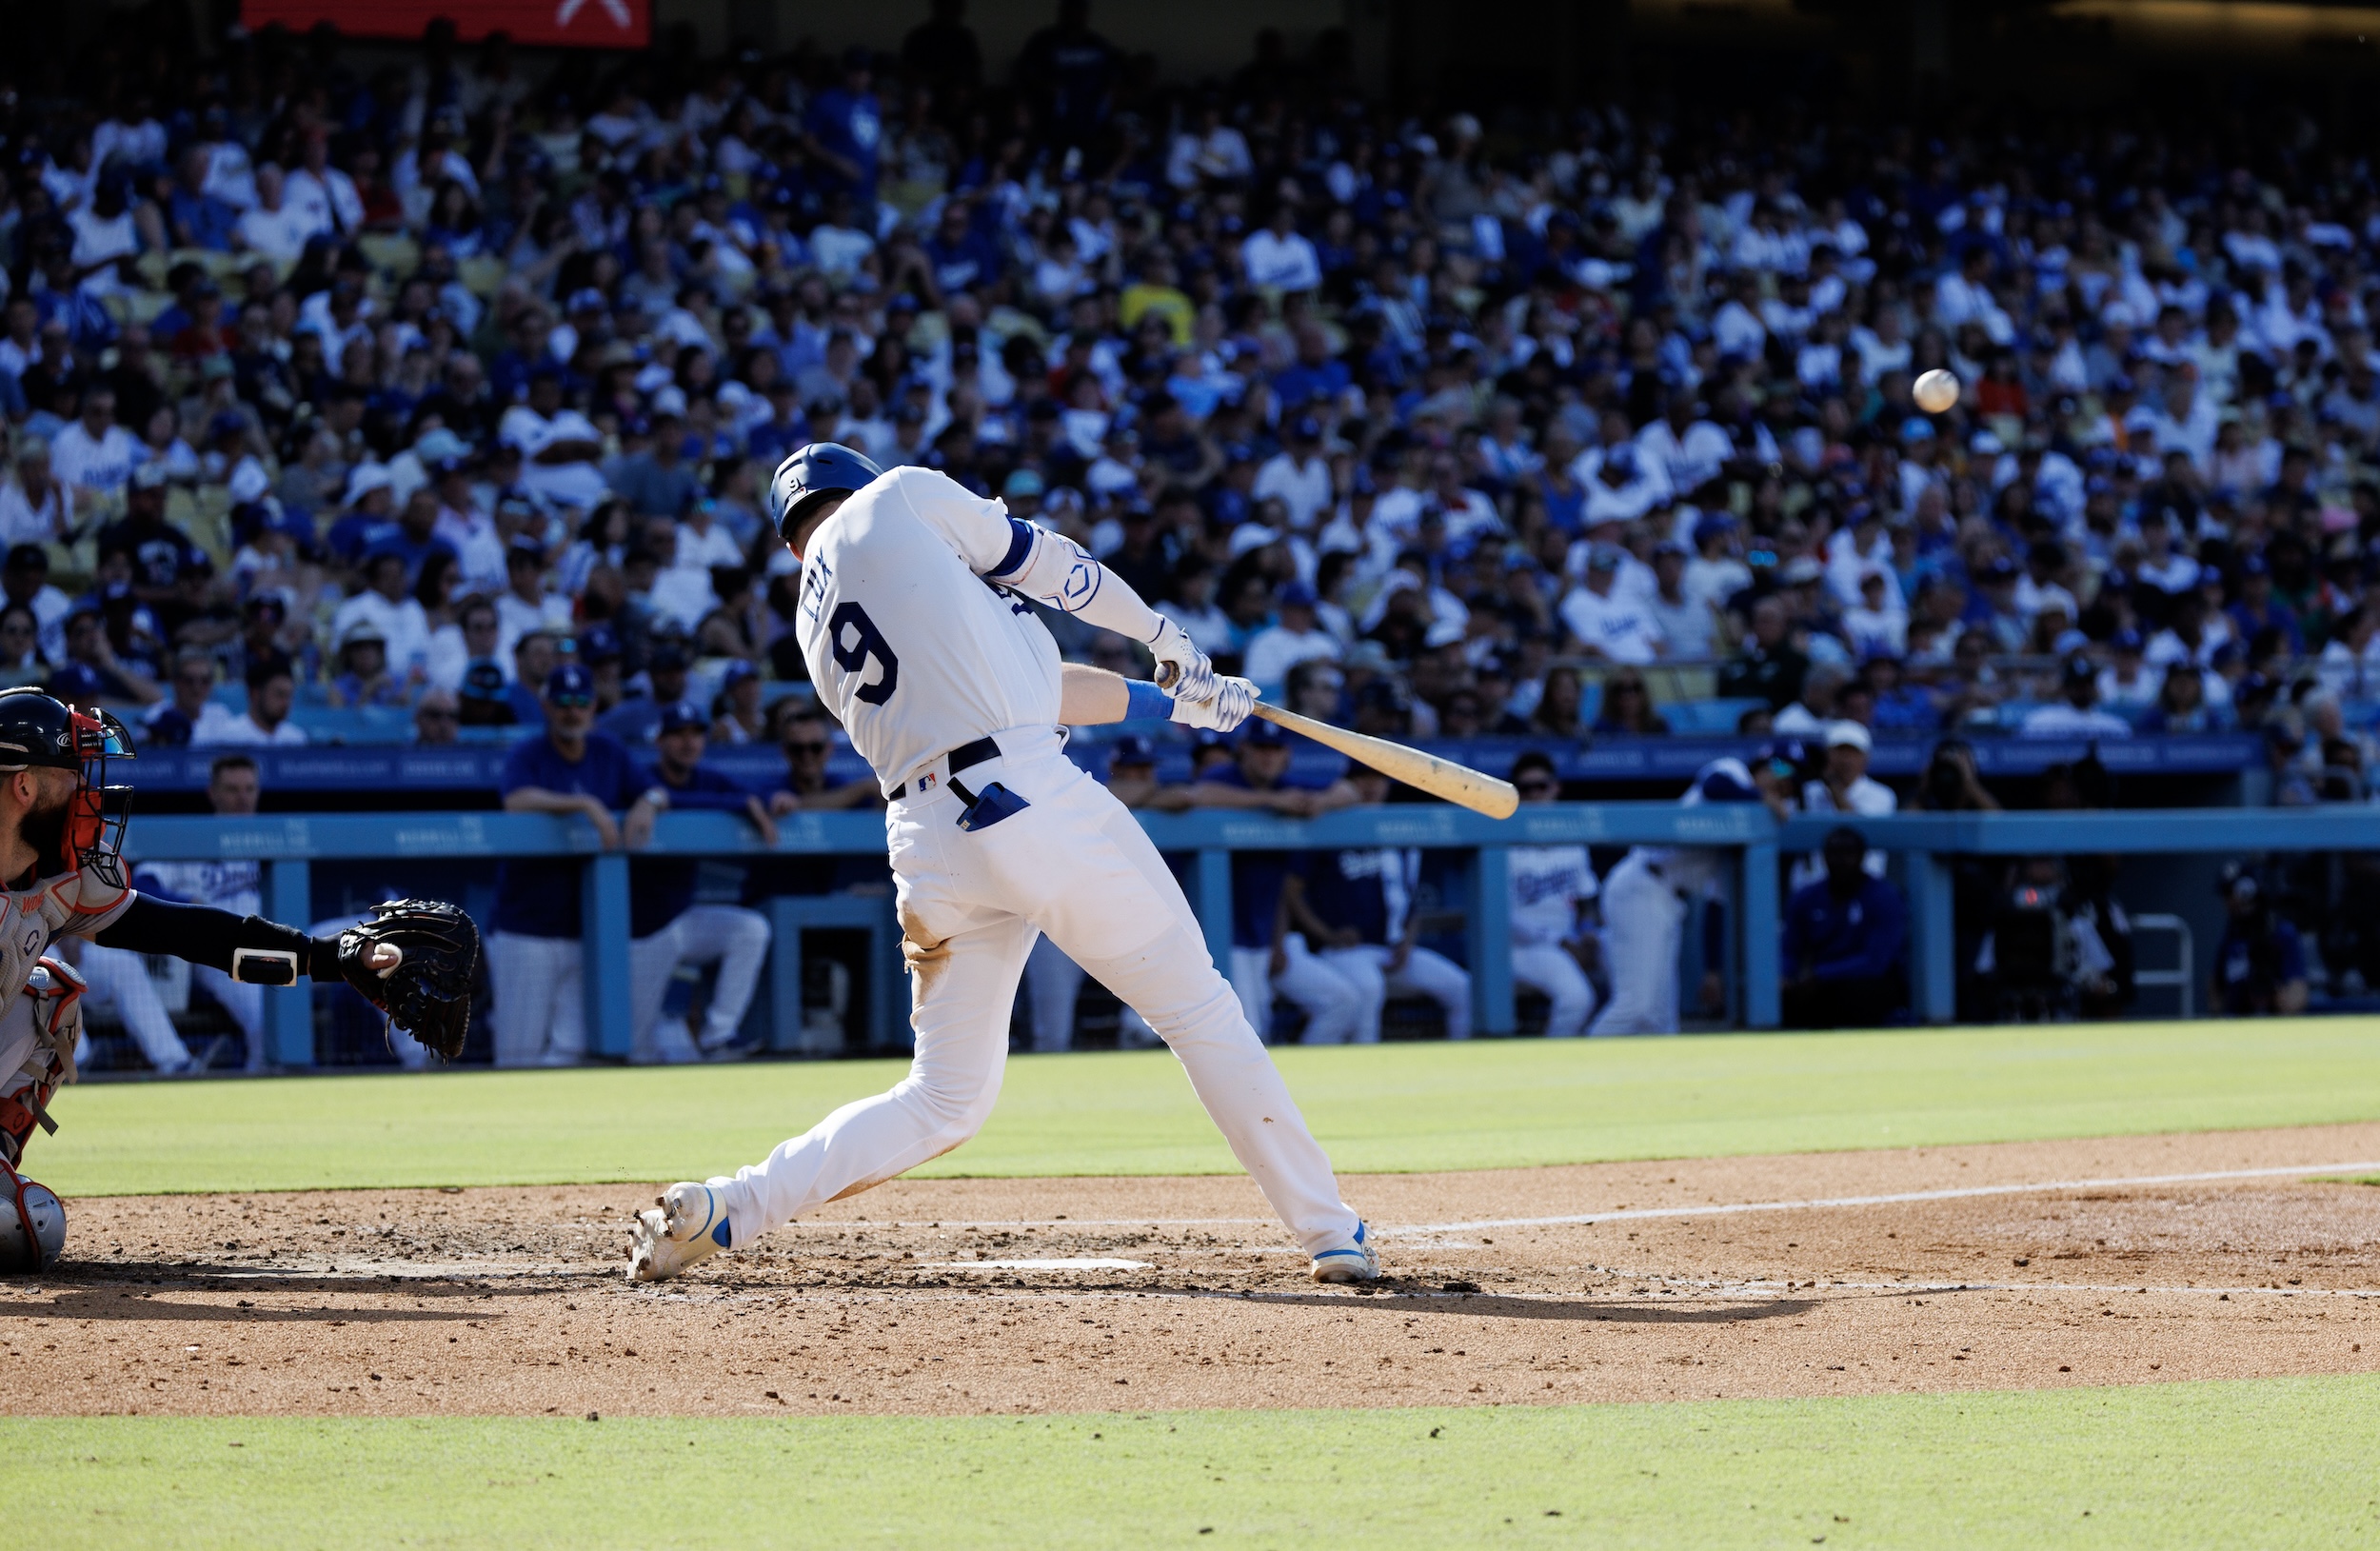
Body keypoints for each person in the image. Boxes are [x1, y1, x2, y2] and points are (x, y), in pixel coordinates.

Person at [630, 444, 1380, 1287]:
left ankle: (730, 1204)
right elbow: (1056, 566)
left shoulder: (812, 617)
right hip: (1028, 798)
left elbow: (1040, 685)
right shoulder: (901, 496)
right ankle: (1329, 1229)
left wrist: (1180, 701)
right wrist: (1168, 638)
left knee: (943, 1098)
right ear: (860, 481)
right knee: (1198, 1006)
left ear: (795, 542)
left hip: (928, 843)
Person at [0, 690, 446, 1263]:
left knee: (51, 994)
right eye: (74, 775)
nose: (89, 794)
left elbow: (193, 934)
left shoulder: (59, 878)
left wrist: (329, 958)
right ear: (25, 787)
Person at [490, 663, 659, 1066]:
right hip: (525, 930)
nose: (572, 711)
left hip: (587, 932)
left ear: (594, 706)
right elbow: (515, 801)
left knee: (573, 1052)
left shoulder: (609, 751)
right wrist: (583, 803)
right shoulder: (529, 753)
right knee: (519, 1053)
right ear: (547, 707)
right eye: (562, 702)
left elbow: (654, 790)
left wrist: (647, 803)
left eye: (581, 702)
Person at [1172, 718, 1363, 1044]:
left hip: (1267, 934)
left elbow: (1350, 791)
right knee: (1247, 1031)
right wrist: (1271, 803)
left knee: (1342, 1001)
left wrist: (1321, 803)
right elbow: (1197, 793)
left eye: (1275, 750)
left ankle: (1302, 1076)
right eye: (1261, 748)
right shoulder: (1227, 778)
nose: (1268, 757)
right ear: (1244, 750)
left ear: (1286, 754)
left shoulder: (1286, 783)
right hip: (1220, 937)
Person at [625, 702, 776, 1063]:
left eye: (695, 733)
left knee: (750, 929)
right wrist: (738, 804)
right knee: (634, 1047)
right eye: (678, 734)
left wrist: (758, 802)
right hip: (640, 931)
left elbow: (755, 794)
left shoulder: (706, 777)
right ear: (660, 740)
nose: (688, 742)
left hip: (682, 918)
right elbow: (665, 798)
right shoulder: (642, 778)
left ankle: (718, 1035)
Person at [1282, 766, 1474, 1042]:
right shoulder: (1330, 827)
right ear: (1348, 784)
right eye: (1362, 779)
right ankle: (1365, 1065)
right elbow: (1291, 889)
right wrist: (1325, 934)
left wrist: (1408, 940)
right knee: (1369, 987)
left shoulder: (1398, 829)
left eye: (1378, 779)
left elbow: (1411, 899)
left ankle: (1467, 1066)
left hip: (1393, 949)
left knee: (1461, 987)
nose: (1371, 786)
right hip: (1345, 951)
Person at [1591, 756, 1774, 1035]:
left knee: (1661, 1018)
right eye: (1776, 768)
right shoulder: (1733, 772)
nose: (1779, 778)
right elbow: (1714, 786)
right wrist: (1763, 797)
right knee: (1636, 1006)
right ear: (1759, 767)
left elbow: (1716, 908)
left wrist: (1712, 970)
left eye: (1789, 777)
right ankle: (1573, 1067)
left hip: (1668, 899)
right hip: (1642, 883)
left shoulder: (1747, 832)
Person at [1505, 751, 1599, 1037]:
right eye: (1526, 789)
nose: (1535, 795)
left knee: (1624, 956)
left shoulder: (1571, 840)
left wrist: (1588, 931)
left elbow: (1586, 898)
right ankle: (1554, 1060)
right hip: (1521, 949)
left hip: (1568, 941)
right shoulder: (1502, 841)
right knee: (1577, 998)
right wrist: (1561, 942)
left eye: (1541, 786)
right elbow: (1502, 917)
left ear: (1555, 788)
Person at [1780, 825, 1908, 1029]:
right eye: (1833, 854)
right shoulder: (1806, 897)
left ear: (1862, 857)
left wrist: (1823, 974)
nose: (1840, 861)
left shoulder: (1884, 896)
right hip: (1818, 984)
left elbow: (1877, 961)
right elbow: (1790, 950)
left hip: (1866, 982)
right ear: (1823, 857)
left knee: (1863, 992)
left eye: (1848, 854)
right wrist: (1785, 976)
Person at [2210, 866, 2309, 1017]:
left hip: (2274, 1022)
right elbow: (2215, 986)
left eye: (2229, 894)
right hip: (2235, 1022)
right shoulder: (2232, 933)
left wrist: (2274, 996)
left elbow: (2298, 994)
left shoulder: (2280, 932)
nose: (2227, 902)